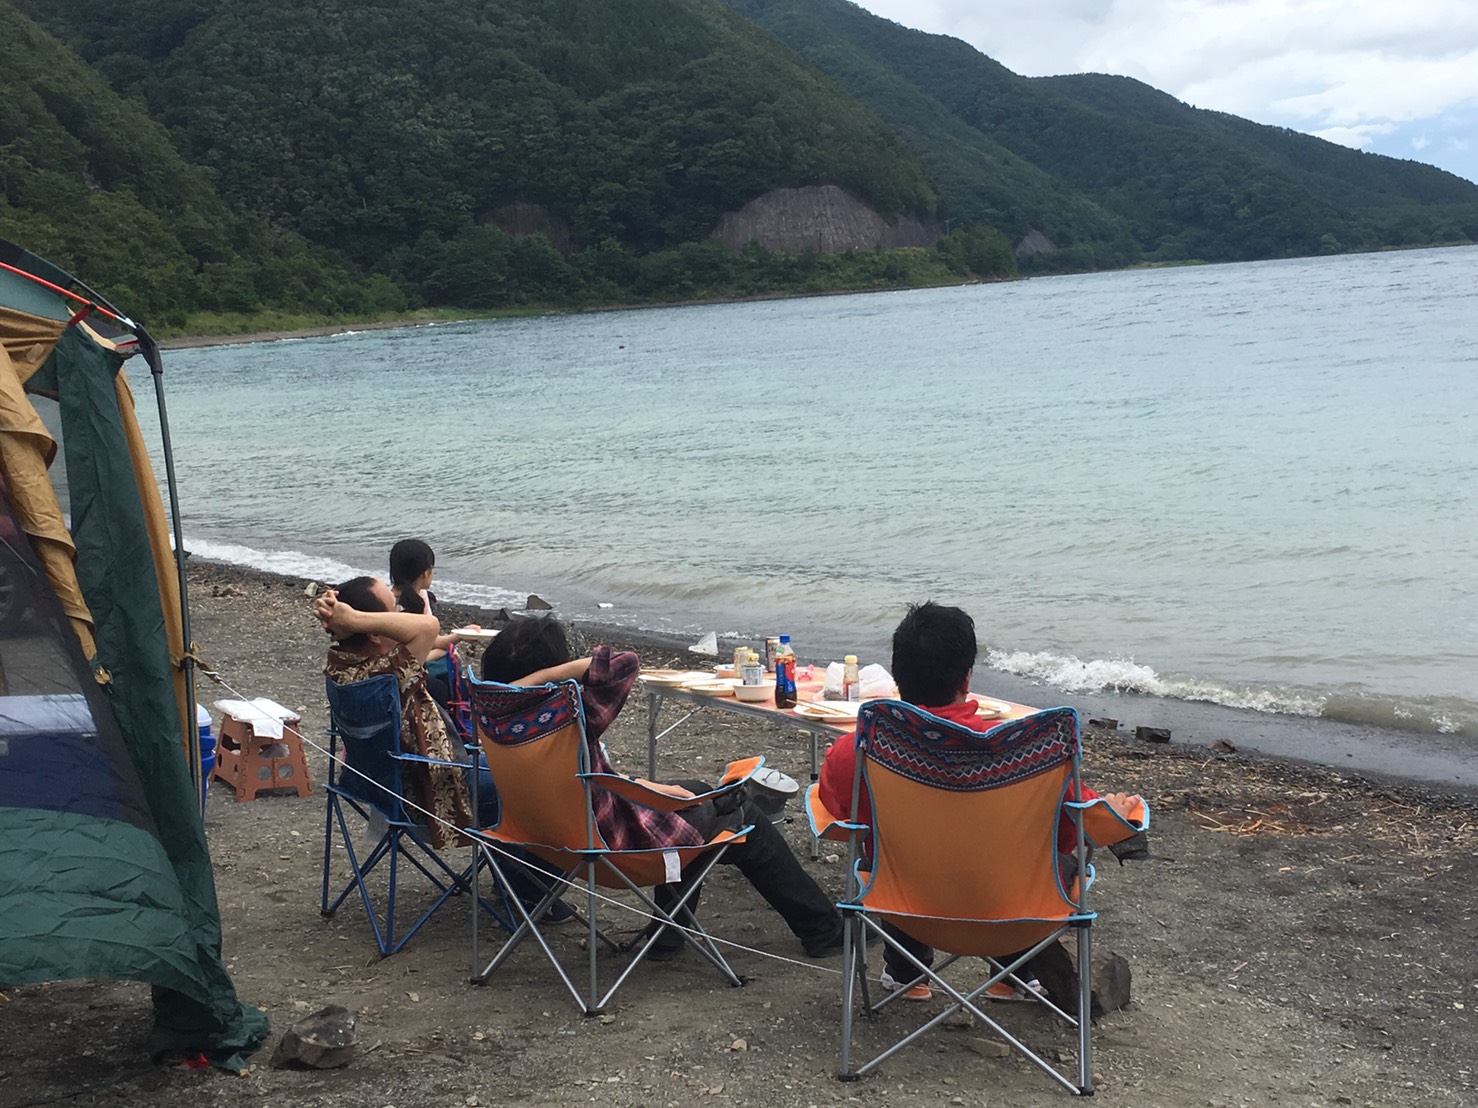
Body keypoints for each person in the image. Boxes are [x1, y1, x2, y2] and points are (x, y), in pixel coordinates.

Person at [818, 601, 1143, 1001]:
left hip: (905, 903)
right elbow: (1083, 820)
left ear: (897, 676)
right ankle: (1013, 976)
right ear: (968, 676)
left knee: (886, 847)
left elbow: (835, 810)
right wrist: (1117, 814)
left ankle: (907, 974)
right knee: (1038, 854)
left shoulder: (862, 752)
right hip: (1012, 912)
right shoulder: (1032, 758)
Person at [480, 617, 845, 960]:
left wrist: (648, 786)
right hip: (612, 850)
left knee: (694, 793)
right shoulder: (564, 713)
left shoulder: (496, 718)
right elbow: (625, 662)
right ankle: (823, 932)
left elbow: (579, 782)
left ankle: (667, 935)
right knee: (742, 817)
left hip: (546, 839)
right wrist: (551, 676)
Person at [316, 577, 473, 850]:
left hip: (376, 788)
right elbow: (428, 625)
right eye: (392, 611)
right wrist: (354, 620)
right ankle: (522, 890)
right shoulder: (388, 673)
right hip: (427, 795)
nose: (399, 616)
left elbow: (428, 637)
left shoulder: (339, 664)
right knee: (532, 785)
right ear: (372, 630)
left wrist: (339, 611)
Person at [388, 539, 478, 712]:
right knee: (440, 686)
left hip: (417, 660)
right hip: (400, 672)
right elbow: (403, 653)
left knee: (454, 676)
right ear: (424, 573)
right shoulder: (391, 603)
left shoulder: (422, 596)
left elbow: (433, 641)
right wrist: (452, 642)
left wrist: (458, 637)